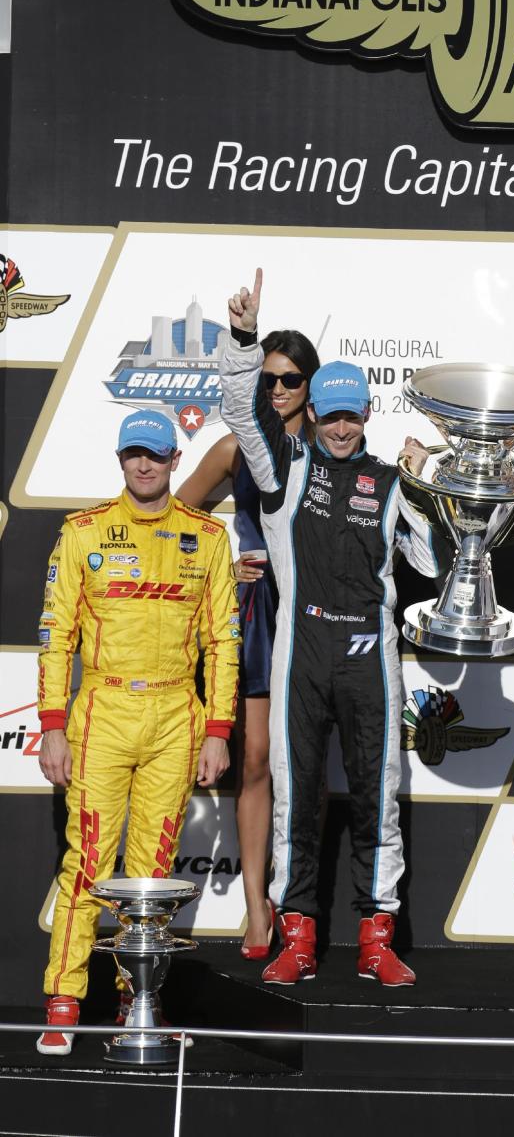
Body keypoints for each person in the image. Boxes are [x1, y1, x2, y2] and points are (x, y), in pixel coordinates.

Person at [219, 269, 440, 987]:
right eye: (331, 414)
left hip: (373, 654)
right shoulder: (283, 469)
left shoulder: (389, 481)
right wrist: (244, 342)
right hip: (301, 651)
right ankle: (299, 938)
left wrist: (426, 490)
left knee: (380, 798)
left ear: (367, 415)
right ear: (311, 412)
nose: (342, 427)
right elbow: (242, 411)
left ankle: (377, 941)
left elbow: (435, 566)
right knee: (296, 795)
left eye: (353, 416)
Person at [36, 409, 239, 1055]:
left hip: (177, 714)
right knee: (87, 862)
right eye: (133, 455)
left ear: (176, 460)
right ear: (120, 459)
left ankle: (137, 1000)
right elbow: (55, 638)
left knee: (151, 872)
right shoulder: (83, 532)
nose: (144, 465)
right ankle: (63, 1001)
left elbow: (224, 642)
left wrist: (218, 728)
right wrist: (51, 725)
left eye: (155, 454)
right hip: (103, 709)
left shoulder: (206, 537)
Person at [178, 328, 319, 960]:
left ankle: (301, 907)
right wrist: (225, 564)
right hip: (260, 612)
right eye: (267, 380)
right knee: (256, 759)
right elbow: (178, 516)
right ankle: (257, 907)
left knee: (308, 768)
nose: (279, 390)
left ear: (310, 387)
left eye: (290, 380)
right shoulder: (238, 446)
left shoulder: (330, 449)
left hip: (320, 616)